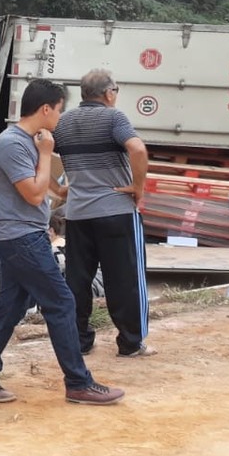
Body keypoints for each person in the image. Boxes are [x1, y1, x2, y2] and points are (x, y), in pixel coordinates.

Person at [0, 78, 125, 406]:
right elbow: (34, 192)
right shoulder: (12, 143)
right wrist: (46, 152)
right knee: (62, 302)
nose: (59, 117)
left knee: (11, 307)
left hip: (22, 235)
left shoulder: (25, 141)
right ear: (44, 109)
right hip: (21, 238)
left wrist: (67, 188)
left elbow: (47, 187)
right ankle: (78, 383)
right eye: (58, 110)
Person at [53, 69, 153, 358]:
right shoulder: (114, 117)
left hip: (78, 214)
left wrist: (57, 190)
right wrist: (138, 187)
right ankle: (131, 343)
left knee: (77, 281)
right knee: (125, 278)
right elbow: (138, 149)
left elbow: (40, 152)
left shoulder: (64, 121)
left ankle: (80, 341)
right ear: (109, 93)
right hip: (116, 211)